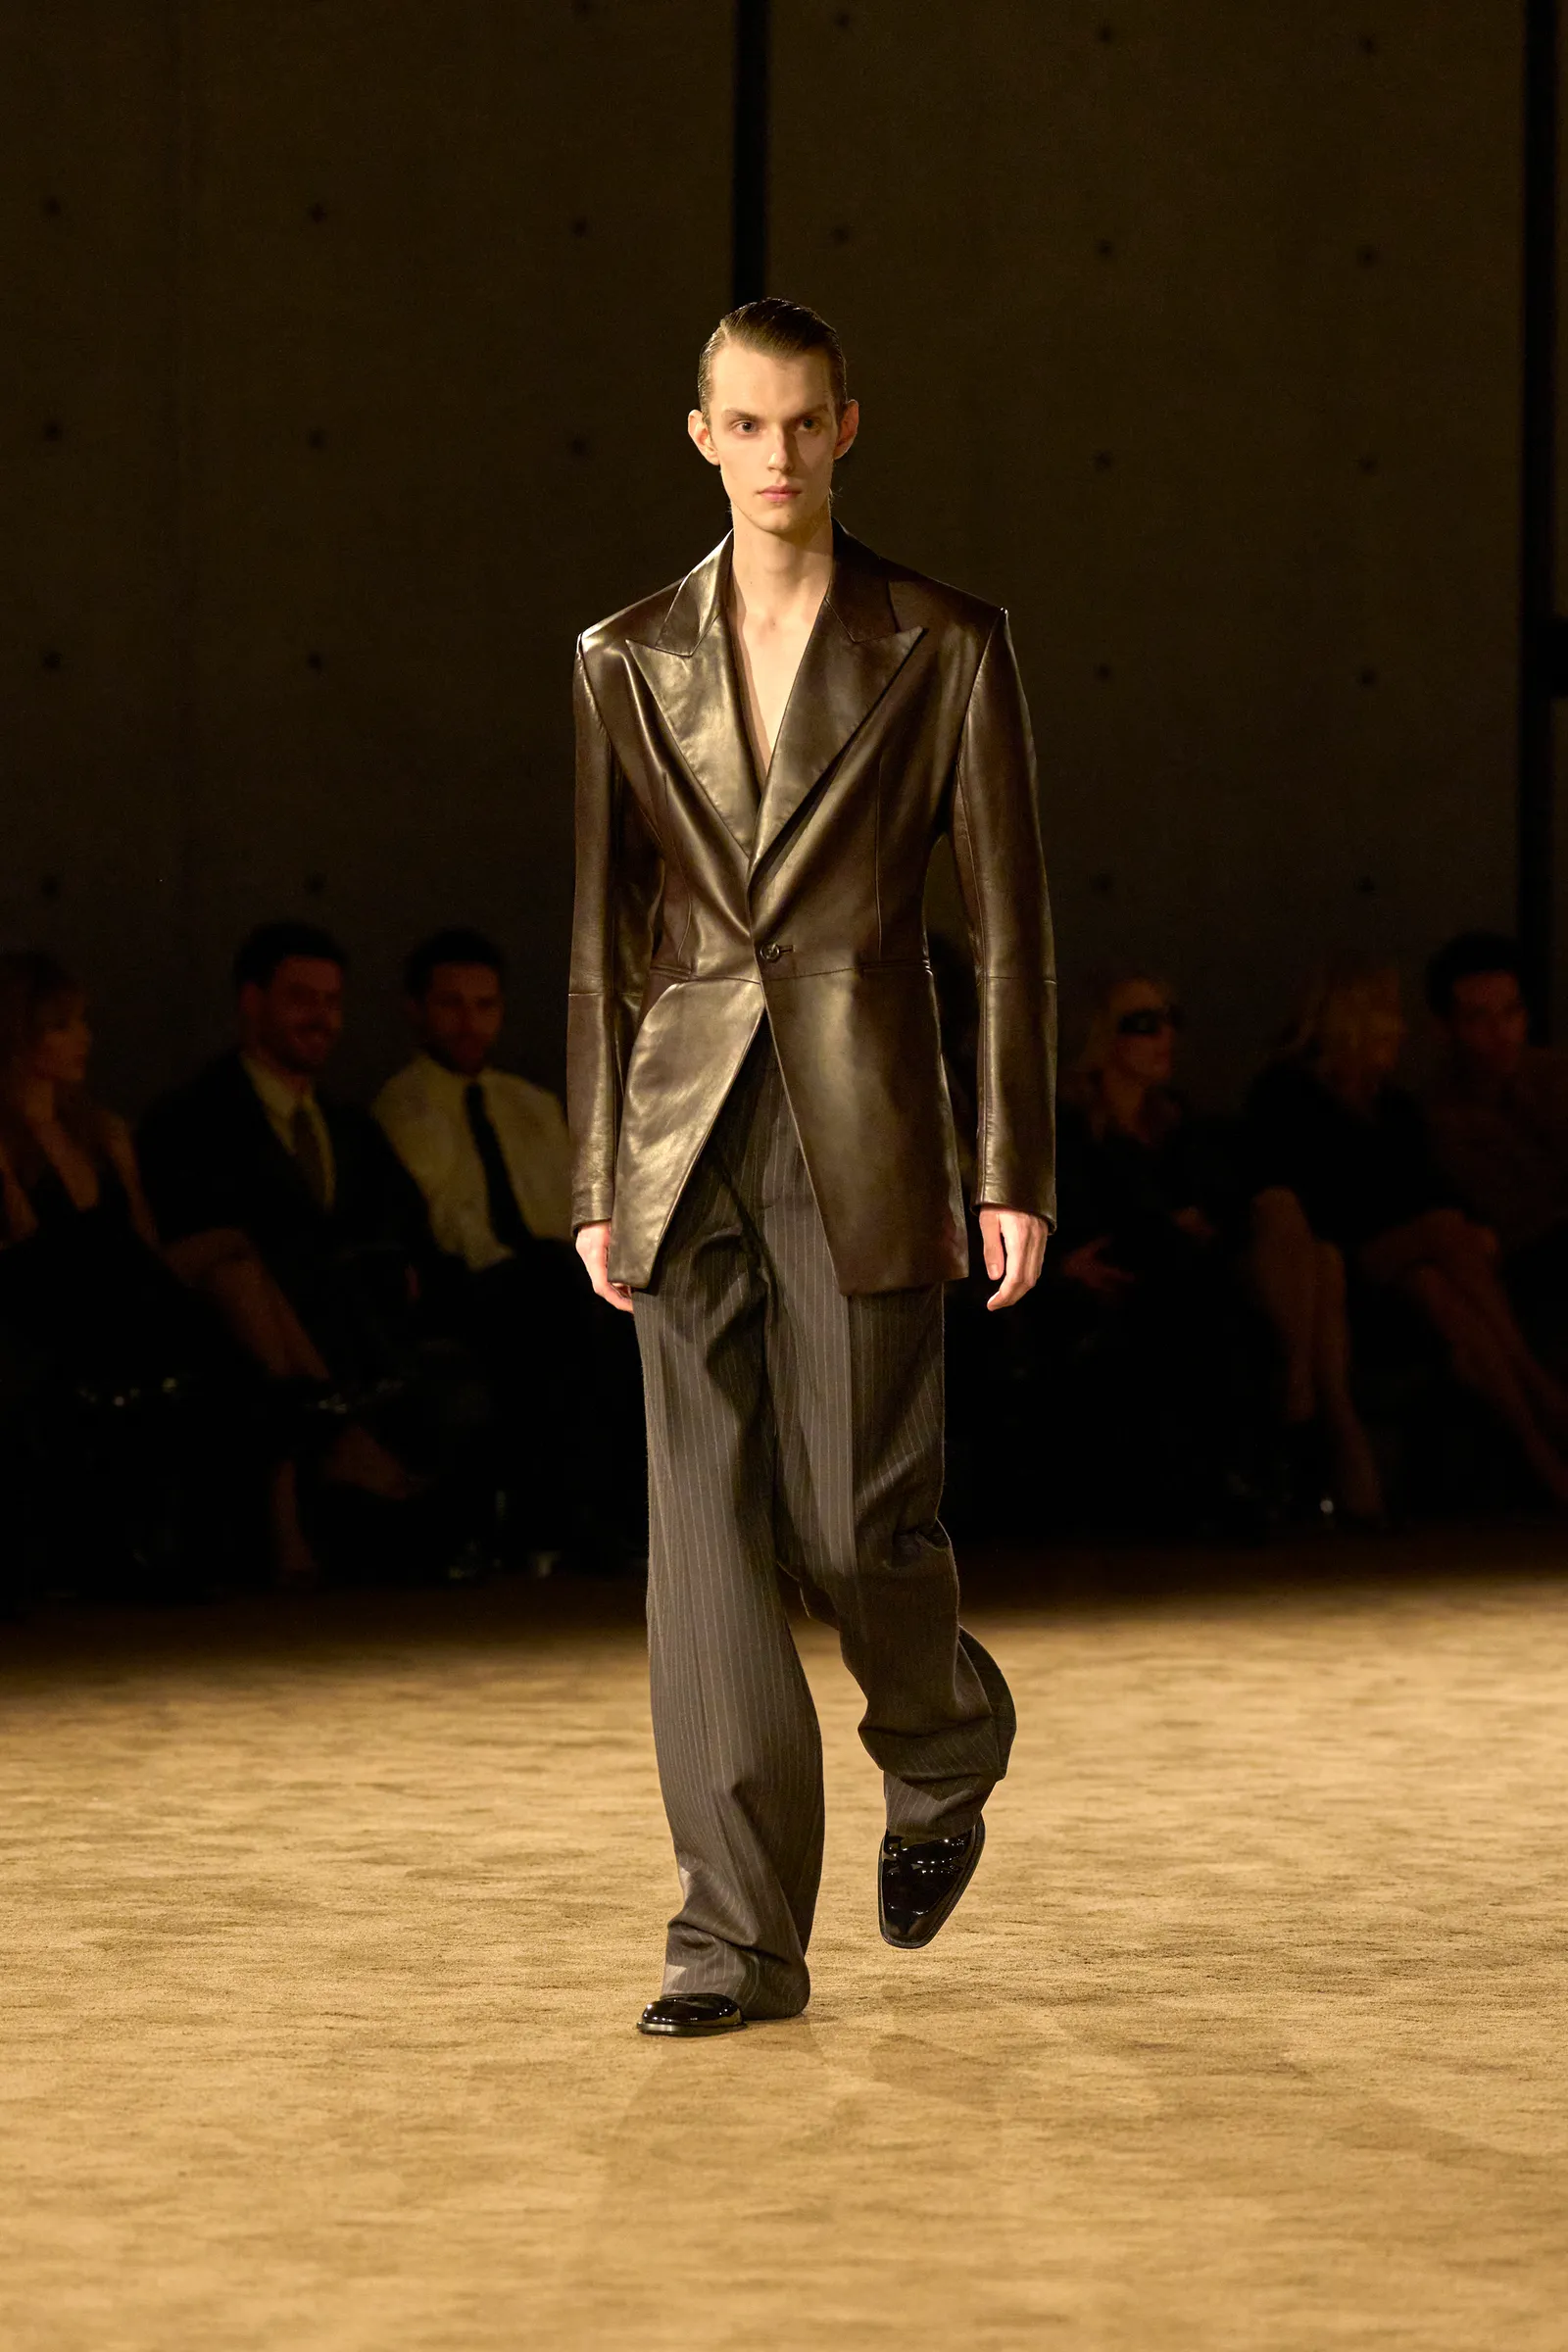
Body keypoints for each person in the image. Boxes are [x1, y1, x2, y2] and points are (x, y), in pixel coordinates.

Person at [569, 297, 1054, 2037]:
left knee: (858, 1519)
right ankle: (735, 1941)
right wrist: (594, 1171)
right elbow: (602, 933)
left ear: (848, 427)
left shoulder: (947, 642)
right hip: (678, 1124)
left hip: (869, 1117)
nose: (776, 454)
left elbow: (1009, 928)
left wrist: (1013, 1162)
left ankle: (942, 1734)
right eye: (746, 423)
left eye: (804, 421)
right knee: (703, 1547)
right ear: (700, 434)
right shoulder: (623, 656)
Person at [137, 921, 487, 1579]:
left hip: (363, 1335)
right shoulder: (192, 1119)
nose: (321, 1018)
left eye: (332, 1002)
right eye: (301, 998)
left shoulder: (351, 1128)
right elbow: (197, 1241)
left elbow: (405, 1229)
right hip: (250, 1333)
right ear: (252, 1002)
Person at [1051, 973, 1384, 1528]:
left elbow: (1221, 1199)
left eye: (1170, 1020)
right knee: (1290, 1257)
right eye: (1143, 1024)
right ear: (1100, 1037)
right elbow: (1090, 1219)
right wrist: (1164, 1226)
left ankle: (1302, 1409)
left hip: (1196, 1266)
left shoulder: (1176, 1121)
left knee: (1309, 1247)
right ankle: (1315, 1432)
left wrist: (1196, 1221)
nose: (1165, 1036)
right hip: (1135, 1278)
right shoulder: (1072, 1126)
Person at [1247, 962, 1568, 1506]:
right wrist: (1435, 1226)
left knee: (1437, 1290)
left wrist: (1474, 1229)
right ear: (1350, 1022)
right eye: (1386, 1016)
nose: (1399, 1030)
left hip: (1402, 1269)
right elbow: (1307, 1198)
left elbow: (1433, 1185)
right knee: (1440, 1230)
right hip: (1334, 1261)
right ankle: (1538, 1384)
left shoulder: (1394, 1107)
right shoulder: (1290, 1094)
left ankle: (1539, 1454)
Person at [375, 928, 641, 1566]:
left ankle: (605, 1512)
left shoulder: (533, 1105)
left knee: (597, 1302)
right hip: (465, 1286)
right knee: (551, 1300)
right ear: (417, 1010)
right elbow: (438, 1224)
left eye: (485, 1005)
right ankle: (569, 1517)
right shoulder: (401, 1106)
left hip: (550, 1276)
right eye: (451, 1005)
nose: (469, 1023)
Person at [0, 952, 248, 1598]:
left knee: (234, 1262)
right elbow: (25, 1251)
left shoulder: (101, 1133)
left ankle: (297, 1393)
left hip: (126, 1298)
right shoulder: (9, 1142)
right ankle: (306, 1395)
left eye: (82, 1022)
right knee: (198, 1285)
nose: (85, 1038)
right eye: (62, 1026)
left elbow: (142, 1245)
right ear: (20, 1037)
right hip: (54, 1309)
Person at [1423, 931, 1568, 1364]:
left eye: (1512, 1012)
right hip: (1527, 1262)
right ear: (1445, 1028)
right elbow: (1514, 1216)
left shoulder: (1554, 1075)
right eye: (1478, 1018)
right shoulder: (1439, 1115)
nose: (1501, 1033)